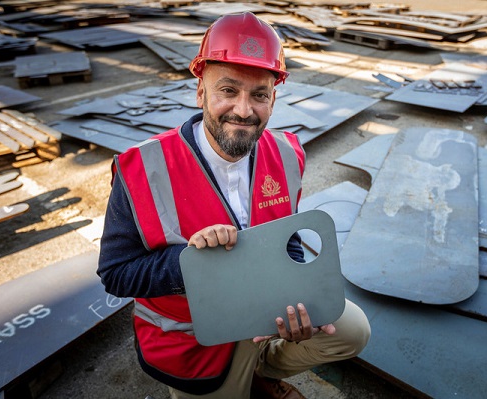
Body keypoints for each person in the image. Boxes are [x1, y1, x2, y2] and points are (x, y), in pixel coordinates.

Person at [97, 12, 371, 399]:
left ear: (273, 98)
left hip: (263, 314)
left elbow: (286, 241)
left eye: (259, 94)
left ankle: (257, 370)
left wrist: (293, 300)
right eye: (228, 90)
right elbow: (116, 273)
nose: (244, 111)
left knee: (352, 329)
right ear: (201, 92)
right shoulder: (141, 168)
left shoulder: (287, 154)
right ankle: (241, 380)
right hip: (194, 341)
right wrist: (191, 261)